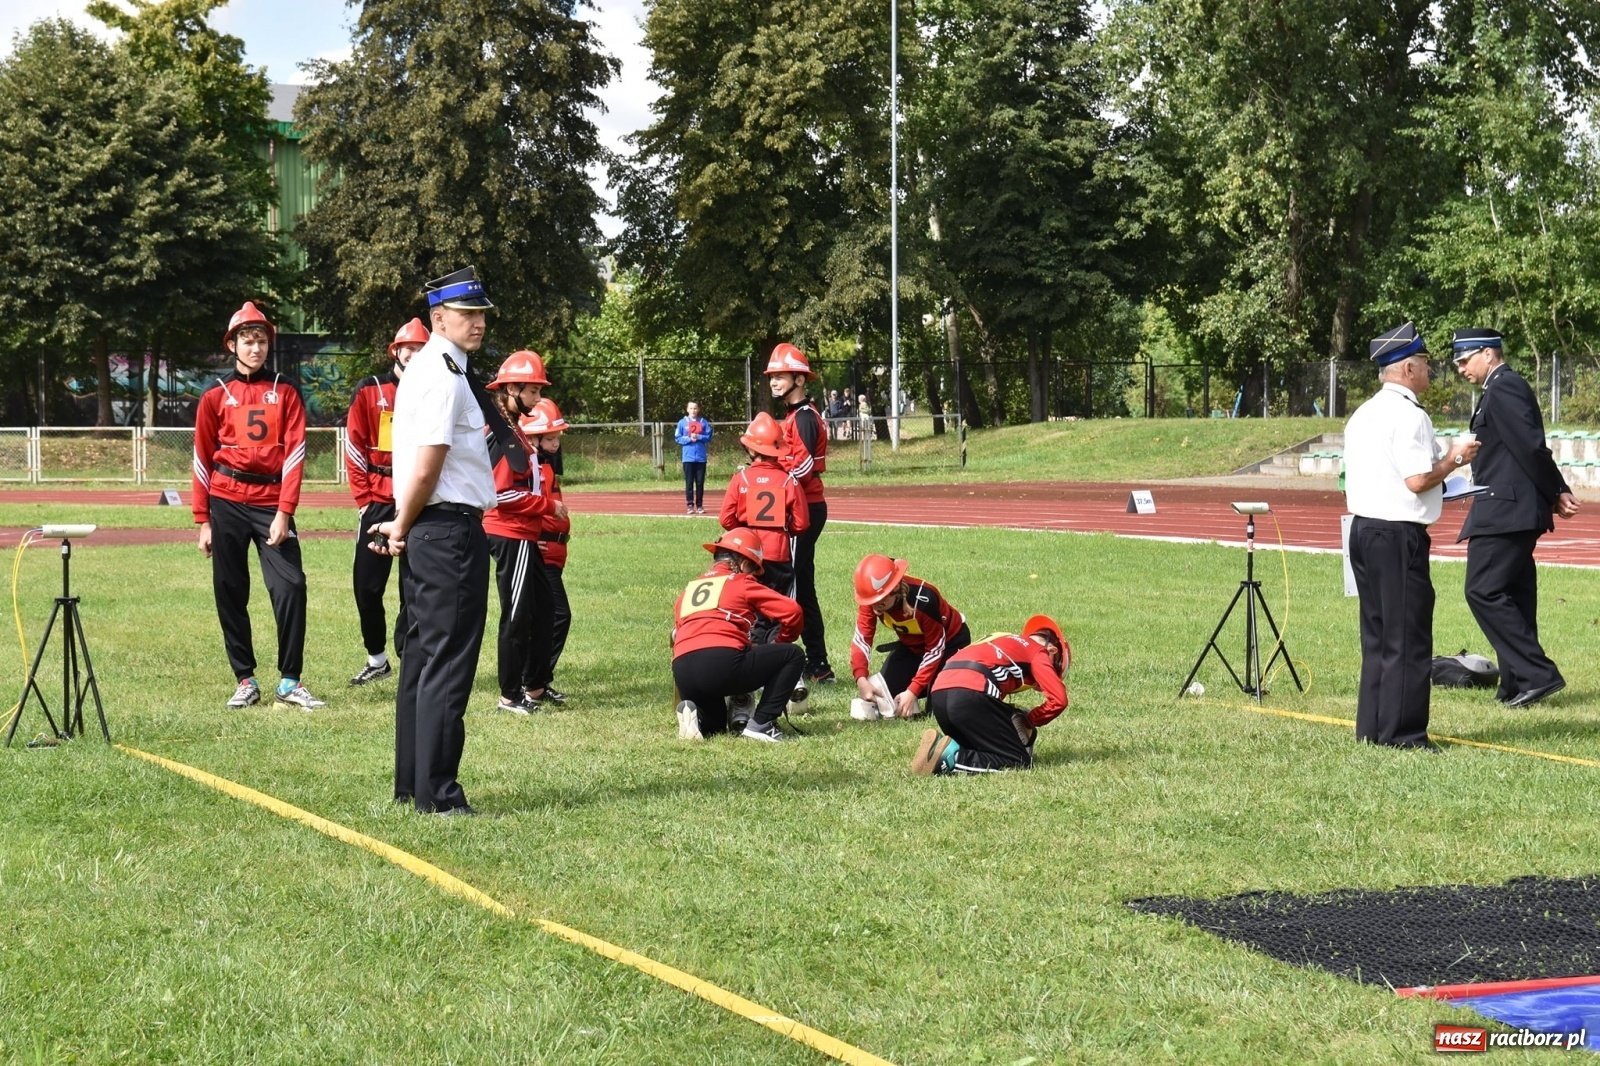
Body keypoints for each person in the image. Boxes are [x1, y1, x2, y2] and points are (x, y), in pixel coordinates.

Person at [369, 266, 505, 815]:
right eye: (467, 313)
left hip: (432, 527)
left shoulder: (431, 369)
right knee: (447, 662)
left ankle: (414, 784)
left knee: (424, 658)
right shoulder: (445, 375)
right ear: (438, 318)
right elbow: (429, 464)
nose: (477, 322)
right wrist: (401, 524)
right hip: (447, 528)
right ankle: (440, 795)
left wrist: (405, 524)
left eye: (481, 313)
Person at [1343, 322, 1479, 750]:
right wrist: (1454, 460)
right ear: (1405, 369)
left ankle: (1373, 727)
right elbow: (1418, 479)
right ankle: (1403, 734)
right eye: (1423, 364)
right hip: (1397, 533)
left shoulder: (1363, 413)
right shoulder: (1409, 414)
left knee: (1378, 636)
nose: (1429, 372)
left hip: (1364, 528)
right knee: (1409, 636)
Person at [193, 301, 324, 712]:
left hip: (271, 503)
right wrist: (203, 520)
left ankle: (289, 680)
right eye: (248, 341)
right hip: (226, 501)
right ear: (232, 344)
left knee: (291, 587)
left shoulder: (286, 392)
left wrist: (285, 510)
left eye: (262, 341)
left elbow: (296, 453)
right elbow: (201, 456)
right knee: (230, 591)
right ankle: (245, 679)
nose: (256, 348)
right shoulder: (214, 395)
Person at [1451, 327, 1579, 708]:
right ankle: (1519, 682)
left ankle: (1538, 674)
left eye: (1464, 359)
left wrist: (1555, 491)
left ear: (1488, 354)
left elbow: (1530, 447)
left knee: (1483, 589)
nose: (1460, 369)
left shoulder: (1505, 386)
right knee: (1514, 594)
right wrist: (1553, 492)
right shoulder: (1498, 387)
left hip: (1506, 509)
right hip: (1512, 507)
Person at [344, 317, 428, 685]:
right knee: (367, 585)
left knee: (414, 586)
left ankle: (409, 656)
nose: (414, 354)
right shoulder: (370, 390)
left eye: (422, 349)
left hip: (416, 503)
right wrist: (364, 502)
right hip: (377, 502)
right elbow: (355, 446)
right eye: (409, 348)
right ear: (395, 351)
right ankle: (376, 659)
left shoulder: (434, 391)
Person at [482, 350, 565, 715]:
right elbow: (500, 493)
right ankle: (509, 696)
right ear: (512, 388)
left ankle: (534, 685)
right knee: (516, 616)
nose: (537, 399)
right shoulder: (501, 432)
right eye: (532, 391)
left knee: (544, 609)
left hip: (525, 534)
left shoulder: (512, 427)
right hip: (510, 533)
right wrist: (547, 506)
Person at [671, 528, 805, 742]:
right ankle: (762, 724)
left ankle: (694, 717)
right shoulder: (740, 582)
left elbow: (676, 633)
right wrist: (781, 641)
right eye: (753, 568)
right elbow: (793, 612)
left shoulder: (689, 589)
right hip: (721, 663)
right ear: (743, 561)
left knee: (716, 726)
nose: (753, 575)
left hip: (683, 670)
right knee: (793, 655)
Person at [911, 615, 1069, 775]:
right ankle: (954, 759)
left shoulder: (1002, 638)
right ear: (1052, 650)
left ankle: (943, 748)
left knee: (982, 749)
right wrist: (1030, 720)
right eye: (1053, 667)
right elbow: (1059, 700)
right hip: (970, 693)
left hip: (939, 694)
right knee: (1018, 761)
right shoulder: (1038, 651)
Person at [765, 343, 834, 681]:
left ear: (800, 379)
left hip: (804, 508)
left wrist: (771, 473)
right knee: (803, 585)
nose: (774, 381)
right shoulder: (797, 415)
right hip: (806, 506)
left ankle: (782, 657)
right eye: (772, 376)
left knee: (787, 582)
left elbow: (803, 466)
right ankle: (818, 664)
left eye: (780, 375)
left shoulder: (804, 417)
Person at [849, 554, 971, 721]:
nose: (875, 607)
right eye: (871, 602)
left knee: (939, 709)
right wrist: (861, 679)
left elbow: (935, 649)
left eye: (881, 602)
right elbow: (862, 639)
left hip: (949, 643)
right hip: (912, 646)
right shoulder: (870, 601)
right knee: (882, 693)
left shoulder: (924, 600)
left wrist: (913, 690)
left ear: (896, 590)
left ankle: (937, 688)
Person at [522, 398, 573, 702]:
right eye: (550, 438)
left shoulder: (545, 466)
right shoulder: (528, 468)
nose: (556, 444)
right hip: (541, 553)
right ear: (533, 437)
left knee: (547, 617)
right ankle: (534, 681)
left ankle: (538, 680)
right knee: (556, 615)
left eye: (557, 438)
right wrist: (533, 537)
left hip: (554, 552)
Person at [675, 401, 711, 514]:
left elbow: (709, 437)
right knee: (689, 482)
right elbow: (677, 438)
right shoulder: (682, 422)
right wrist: (689, 439)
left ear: (698, 409)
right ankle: (690, 505)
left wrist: (699, 436)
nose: (693, 410)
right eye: (691, 408)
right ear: (687, 410)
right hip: (688, 457)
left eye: (695, 408)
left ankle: (699, 505)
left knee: (700, 482)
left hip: (700, 458)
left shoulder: (703, 422)